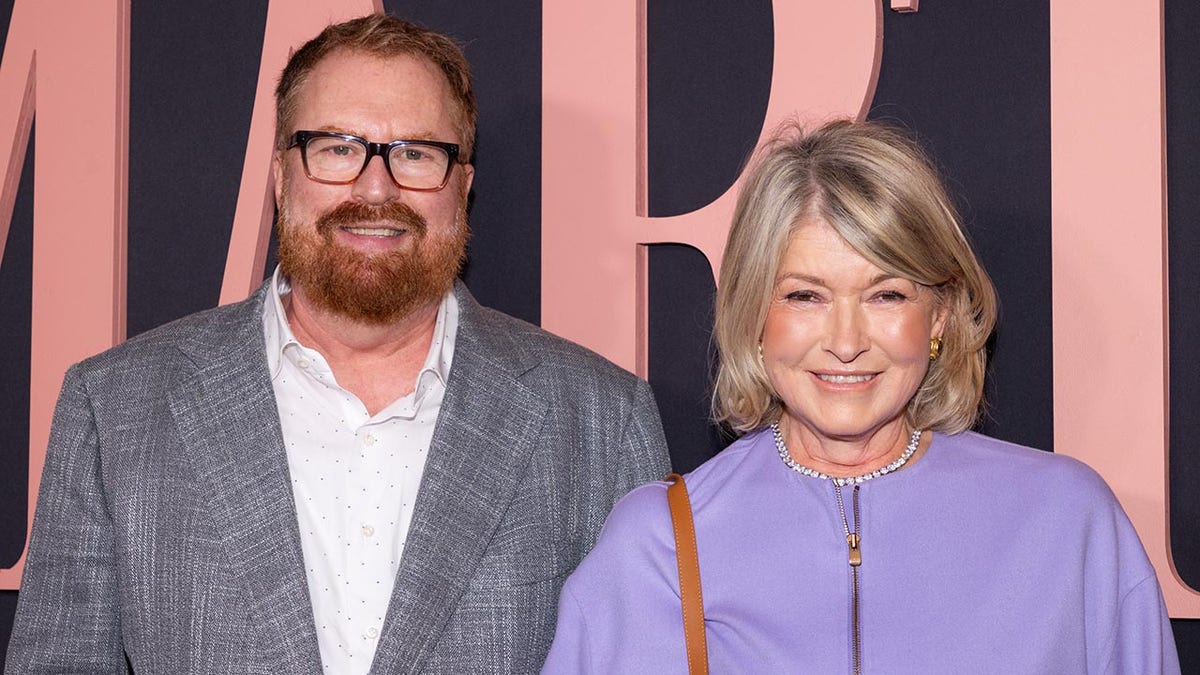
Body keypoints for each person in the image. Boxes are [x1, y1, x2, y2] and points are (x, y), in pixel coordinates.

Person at [6, 14, 669, 674]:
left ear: (462, 186)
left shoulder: (600, 422)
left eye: (415, 152)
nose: (375, 189)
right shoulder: (116, 408)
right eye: (337, 147)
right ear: (280, 175)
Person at [542, 119, 1180, 673]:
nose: (845, 341)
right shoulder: (661, 543)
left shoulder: (1068, 523)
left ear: (940, 316)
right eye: (804, 296)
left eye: (887, 294)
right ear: (753, 317)